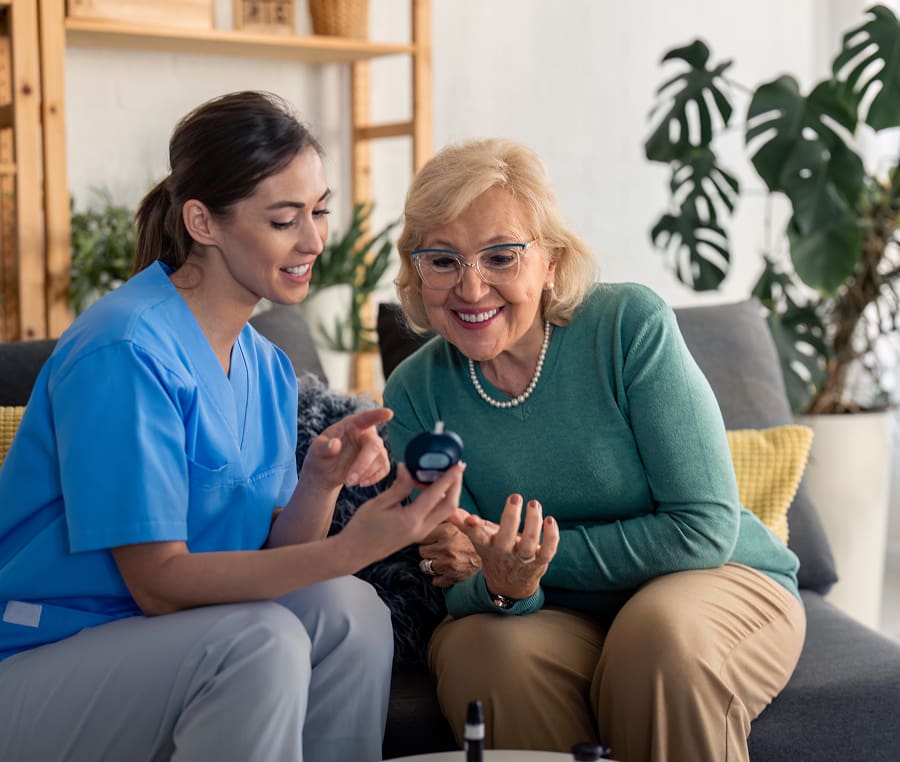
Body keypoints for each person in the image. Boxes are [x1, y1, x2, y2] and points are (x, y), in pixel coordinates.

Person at [0, 90, 464, 762]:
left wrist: (320, 483)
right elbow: (159, 584)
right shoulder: (124, 351)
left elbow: (270, 560)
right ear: (203, 222)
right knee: (259, 642)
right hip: (42, 654)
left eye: (319, 210)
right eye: (284, 219)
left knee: (351, 611)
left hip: (167, 642)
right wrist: (350, 548)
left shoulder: (265, 366)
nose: (314, 241)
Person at [382, 137, 806, 762]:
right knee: (480, 651)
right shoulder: (413, 393)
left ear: (550, 261)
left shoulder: (629, 326)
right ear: (417, 271)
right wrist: (503, 585)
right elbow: (462, 580)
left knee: (656, 638)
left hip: (711, 580)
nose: (470, 288)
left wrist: (526, 563)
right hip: (547, 615)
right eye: (442, 260)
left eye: (500, 257)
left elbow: (703, 529)